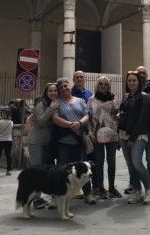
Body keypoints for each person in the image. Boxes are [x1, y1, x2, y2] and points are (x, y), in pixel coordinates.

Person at [52, 77, 96, 205]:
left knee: (84, 168)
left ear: (69, 86)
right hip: (64, 141)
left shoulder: (80, 101)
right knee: (62, 170)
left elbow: (87, 115)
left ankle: (88, 194)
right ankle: (58, 197)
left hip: (79, 140)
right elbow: (55, 119)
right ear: (59, 90)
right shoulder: (57, 102)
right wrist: (72, 125)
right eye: (61, 88)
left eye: (66, 86)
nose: (64, 89)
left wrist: (79, 123)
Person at [118, 71, 150, 204]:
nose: (131, 82)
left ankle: (149, 190)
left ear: (139, 82)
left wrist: (132, 138)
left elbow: (142, 119)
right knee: (130, 165)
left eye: (134, 80)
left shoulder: (144, 97)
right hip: (123, 134)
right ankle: (137, 191)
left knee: (137, 163)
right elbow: (123, 114)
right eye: (129, 81)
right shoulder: (126, 96)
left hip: (138, 135)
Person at [87, 76, 121, 199]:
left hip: (111, 134)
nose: (103, 86)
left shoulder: (114, 99)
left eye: (105, 84)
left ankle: (111, 187)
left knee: (112, 162)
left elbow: (118, 117)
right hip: (96, 135)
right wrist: (90, 133)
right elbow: (89, 118)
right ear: (97, 85)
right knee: (99, 162)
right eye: (100, 84)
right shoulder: (91, 99)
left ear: (109, 86)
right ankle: (101, 188)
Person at [27, 82, 59, 209]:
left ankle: (39, 197)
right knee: (37, 171)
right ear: (46, 92)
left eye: (55, 91)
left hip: (46, 142)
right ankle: (36, 199)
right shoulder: (41, 104)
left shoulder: (54, 103)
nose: (53, 93)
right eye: (50, 91)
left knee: (44, 171)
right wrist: (51, 108)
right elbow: (40, 121)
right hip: (36, 142)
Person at [0, 107, 14, 177]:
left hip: (0, 140)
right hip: (8, 140)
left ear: (3, 114)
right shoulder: (11, 122)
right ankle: (8, 171)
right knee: (8, 156)